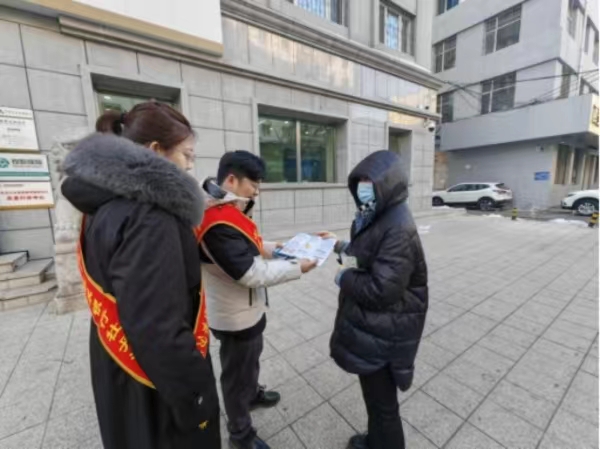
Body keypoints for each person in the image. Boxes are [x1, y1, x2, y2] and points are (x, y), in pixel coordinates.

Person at [61, 101, 220, 449]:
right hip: (158, 390)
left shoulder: (102, 202)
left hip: (120, 369)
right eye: (187, 155)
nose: (191, 167)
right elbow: (159, 328)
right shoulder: (150, 217)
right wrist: (199, 400)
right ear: (155, 151)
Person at [195, 151, 317, 449]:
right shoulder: (215, 221)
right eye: (254, 184)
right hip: (234, 316)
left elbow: (249, 245)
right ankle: (240, 434)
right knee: (236, 374)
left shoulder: (226, 206)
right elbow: (250, 273)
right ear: (232, 180)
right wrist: (296, 267)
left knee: (250, 359)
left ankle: (251, 395)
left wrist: (282, 248)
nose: (257, 191)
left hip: (247, 309)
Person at [321, 150, 428, 449]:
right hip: (376, 328)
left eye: (369, 182)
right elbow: (367, 254)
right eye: (360, 182)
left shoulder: (398, 227)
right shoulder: (376, 214)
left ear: (389, 184)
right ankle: (375, 441)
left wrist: (344, 277)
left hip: (386, 331)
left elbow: (382, 290)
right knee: (374, 398)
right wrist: (338, 245)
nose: (363, 188)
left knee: (383, 405)